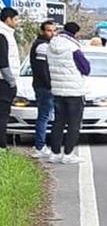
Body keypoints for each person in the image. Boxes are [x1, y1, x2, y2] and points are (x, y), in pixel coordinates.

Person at [45, 22, 90, 164]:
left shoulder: (51, 45)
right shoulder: (73, 47)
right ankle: (68, 154)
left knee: (58, 122)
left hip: (57, 89)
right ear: (75, 33)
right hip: (74, 90)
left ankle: (55, 153)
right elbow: (85, 68)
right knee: (74, 123)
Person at [28, 20, 57, 158]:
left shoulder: (43, 45)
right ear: (42, 31)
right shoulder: (42, 47)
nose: (52, 33)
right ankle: (40, 146)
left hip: (43, 86)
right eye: (49, 30)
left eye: (53, 30)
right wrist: (50, 85)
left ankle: (41, 144)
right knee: (44, 116)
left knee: (45, 115)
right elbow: (42, 69)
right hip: (44, 87)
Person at [0, 8, 19, 149]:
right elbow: (3, 61)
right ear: (8, 19)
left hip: (4, 81)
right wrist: (11, 82)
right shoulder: (3, 35)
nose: (17, 22)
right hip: (3, 82)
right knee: (3, 115)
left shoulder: (8, 34)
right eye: (16, 19)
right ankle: (2, 146)